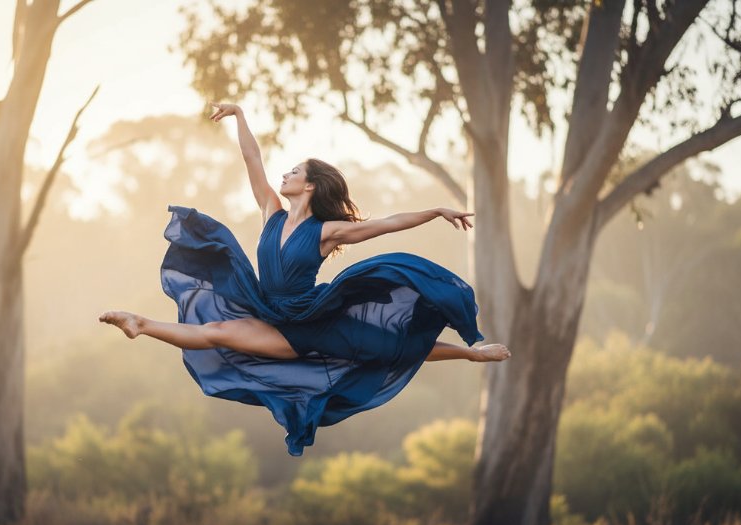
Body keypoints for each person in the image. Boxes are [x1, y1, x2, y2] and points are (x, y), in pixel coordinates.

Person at [100, 103, 510, 455]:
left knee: (390, 345)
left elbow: (387, 224)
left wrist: (436, 211)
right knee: (217, 330)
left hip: (310, 322)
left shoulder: (327, 231)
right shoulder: (271, 212)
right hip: (266, 309)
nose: (286, 174)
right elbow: (252, 161)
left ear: (309, 185)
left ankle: (473, 354)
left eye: (294, 171)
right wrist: (240, 114)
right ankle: (141, 324)